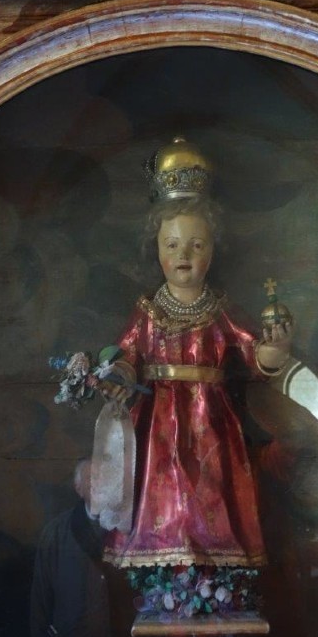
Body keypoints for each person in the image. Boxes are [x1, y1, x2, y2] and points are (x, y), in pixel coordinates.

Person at [102, 136, 291, 571]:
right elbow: (126, 354)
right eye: (171, 245)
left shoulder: (220, 309)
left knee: (211, 490)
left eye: (197, 245)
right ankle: (162, 569)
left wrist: (275, 349)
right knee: (158, 490)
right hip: (155, 423)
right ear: (156, 249)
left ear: (213, 250)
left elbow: (253, 353)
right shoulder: (147, 311)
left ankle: (212, 571)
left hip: (212, 422)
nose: (183, 255)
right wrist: (118, 372)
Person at [30, 459, 112, 637]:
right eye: (91, 478)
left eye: (104, 477)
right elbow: (41, 602)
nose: (99, 483)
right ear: (78, 488)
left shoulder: (130, 529)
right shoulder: (56, 533)